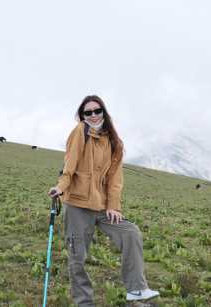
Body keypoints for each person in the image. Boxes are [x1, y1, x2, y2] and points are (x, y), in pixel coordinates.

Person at [48, 95, 159, 306]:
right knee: (77, 257)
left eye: (97, 111)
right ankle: (84, 302)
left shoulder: (114, 142)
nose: (93, 115)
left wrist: (113, 206)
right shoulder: (80, 132)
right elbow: (69, 165)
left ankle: (136, 289)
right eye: (87, 112)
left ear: (104, 112)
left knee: (131, 232)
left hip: (101, 206)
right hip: (78, 205)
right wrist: (60, 188)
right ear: (82, 115)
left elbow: (115, 180)